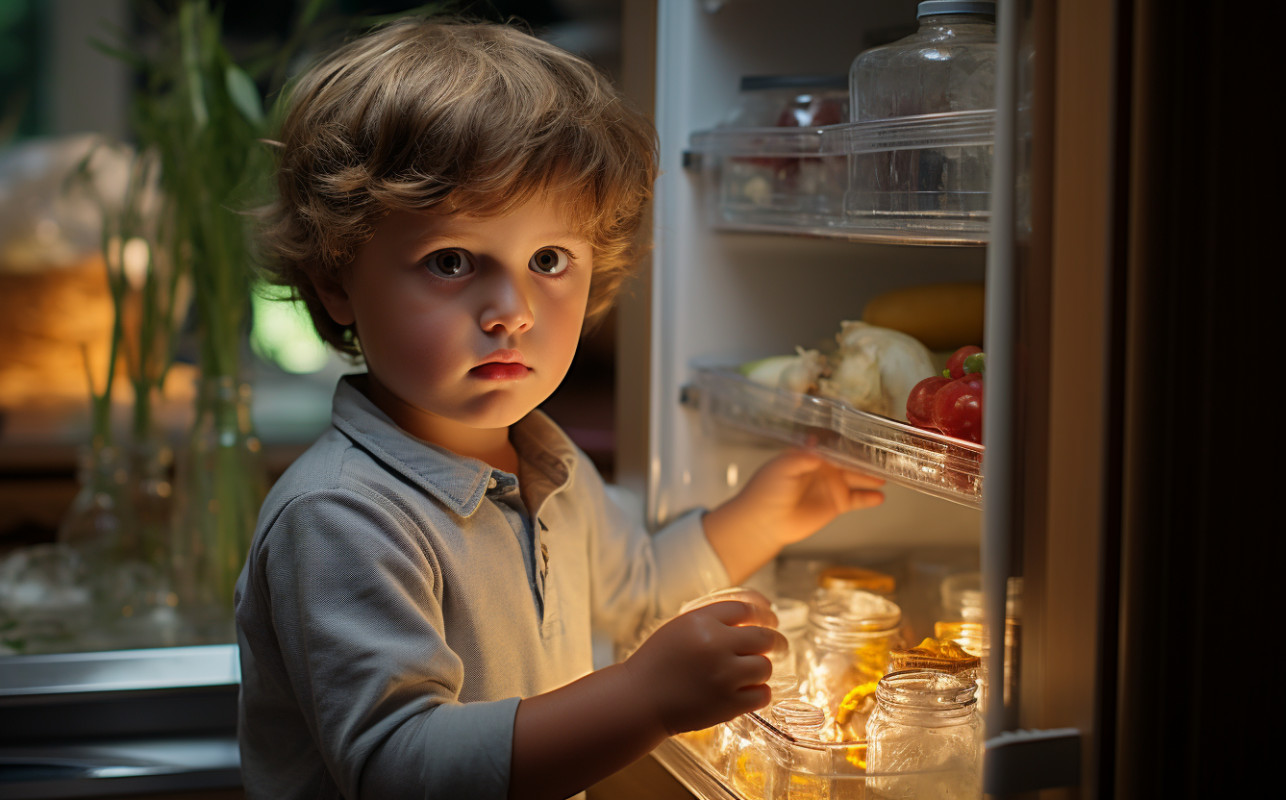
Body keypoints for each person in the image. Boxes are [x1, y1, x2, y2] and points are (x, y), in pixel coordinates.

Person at [234, 17, 885, 800]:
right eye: (451, 261)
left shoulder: (544, 462)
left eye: (549, 260)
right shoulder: (341, 516)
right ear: (338, 278)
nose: (511, 310)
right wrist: (643, 697)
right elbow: (396, 766)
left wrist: (760, 516)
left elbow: (636, 589)